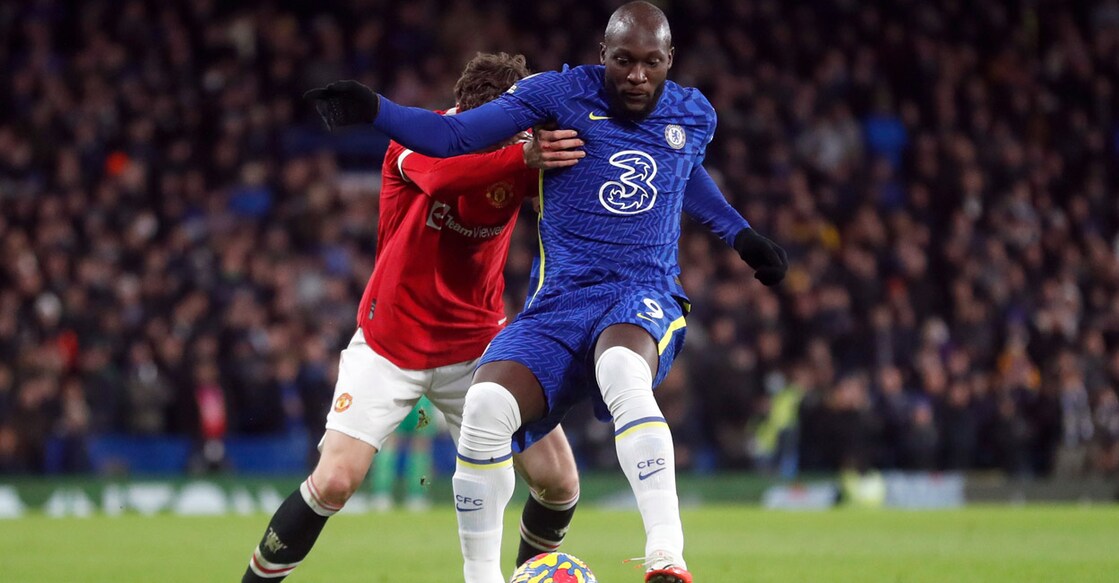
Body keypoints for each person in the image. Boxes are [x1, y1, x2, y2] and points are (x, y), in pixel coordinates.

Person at [306, 3, 789, 582]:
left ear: (670, 60)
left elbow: (685, 171)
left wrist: (740, 234)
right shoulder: (555, 97)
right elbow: (455, 134)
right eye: (624, 61)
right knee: (485, 407)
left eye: (651, 63)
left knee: (620, 371)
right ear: (603, 55)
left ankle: (665, 553)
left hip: (641, 291)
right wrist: (376, 109)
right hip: (559, 301)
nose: (637, 75)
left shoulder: (692, 113)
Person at [241, 52, 588, 582]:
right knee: (334, 480)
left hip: (478, 348)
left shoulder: (526, 149)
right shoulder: (422, 141)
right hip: (390, 345)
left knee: (560, 481)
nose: (499, 142)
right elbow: (447, 179)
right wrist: (522, 160)